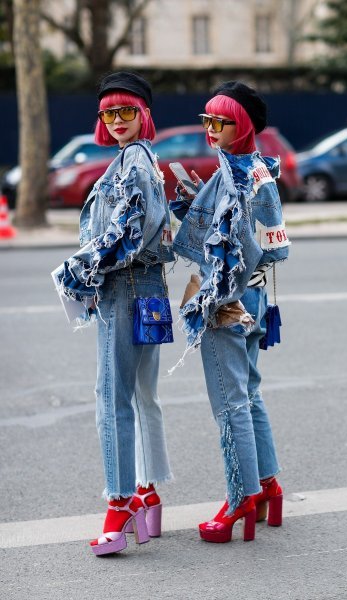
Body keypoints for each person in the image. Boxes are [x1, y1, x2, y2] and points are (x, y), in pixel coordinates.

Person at [54, 72, 174, 555]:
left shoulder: (133, 165)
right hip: (148, 289)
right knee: (142, 395)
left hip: (123, 287)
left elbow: (126, 234)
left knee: (112, 399)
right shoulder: (146, 161)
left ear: (143, 113)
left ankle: (120, 503)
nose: (118, 121)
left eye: (127, 111)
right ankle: (147, 493)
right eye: (109, 113)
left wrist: (75, 270)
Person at [170, 81, 290, 543]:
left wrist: (219, 285)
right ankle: (268, 485)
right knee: (250, 393)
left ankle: (240, 497)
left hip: (226, 302)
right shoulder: (256, 169)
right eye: (207, 120)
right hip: (254, 300)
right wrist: (196, 204)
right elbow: (270, 244)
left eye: (219, 121)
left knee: (230, 402)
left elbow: (265, 246)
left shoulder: (239, 175)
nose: (210, 129)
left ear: (239, 125)